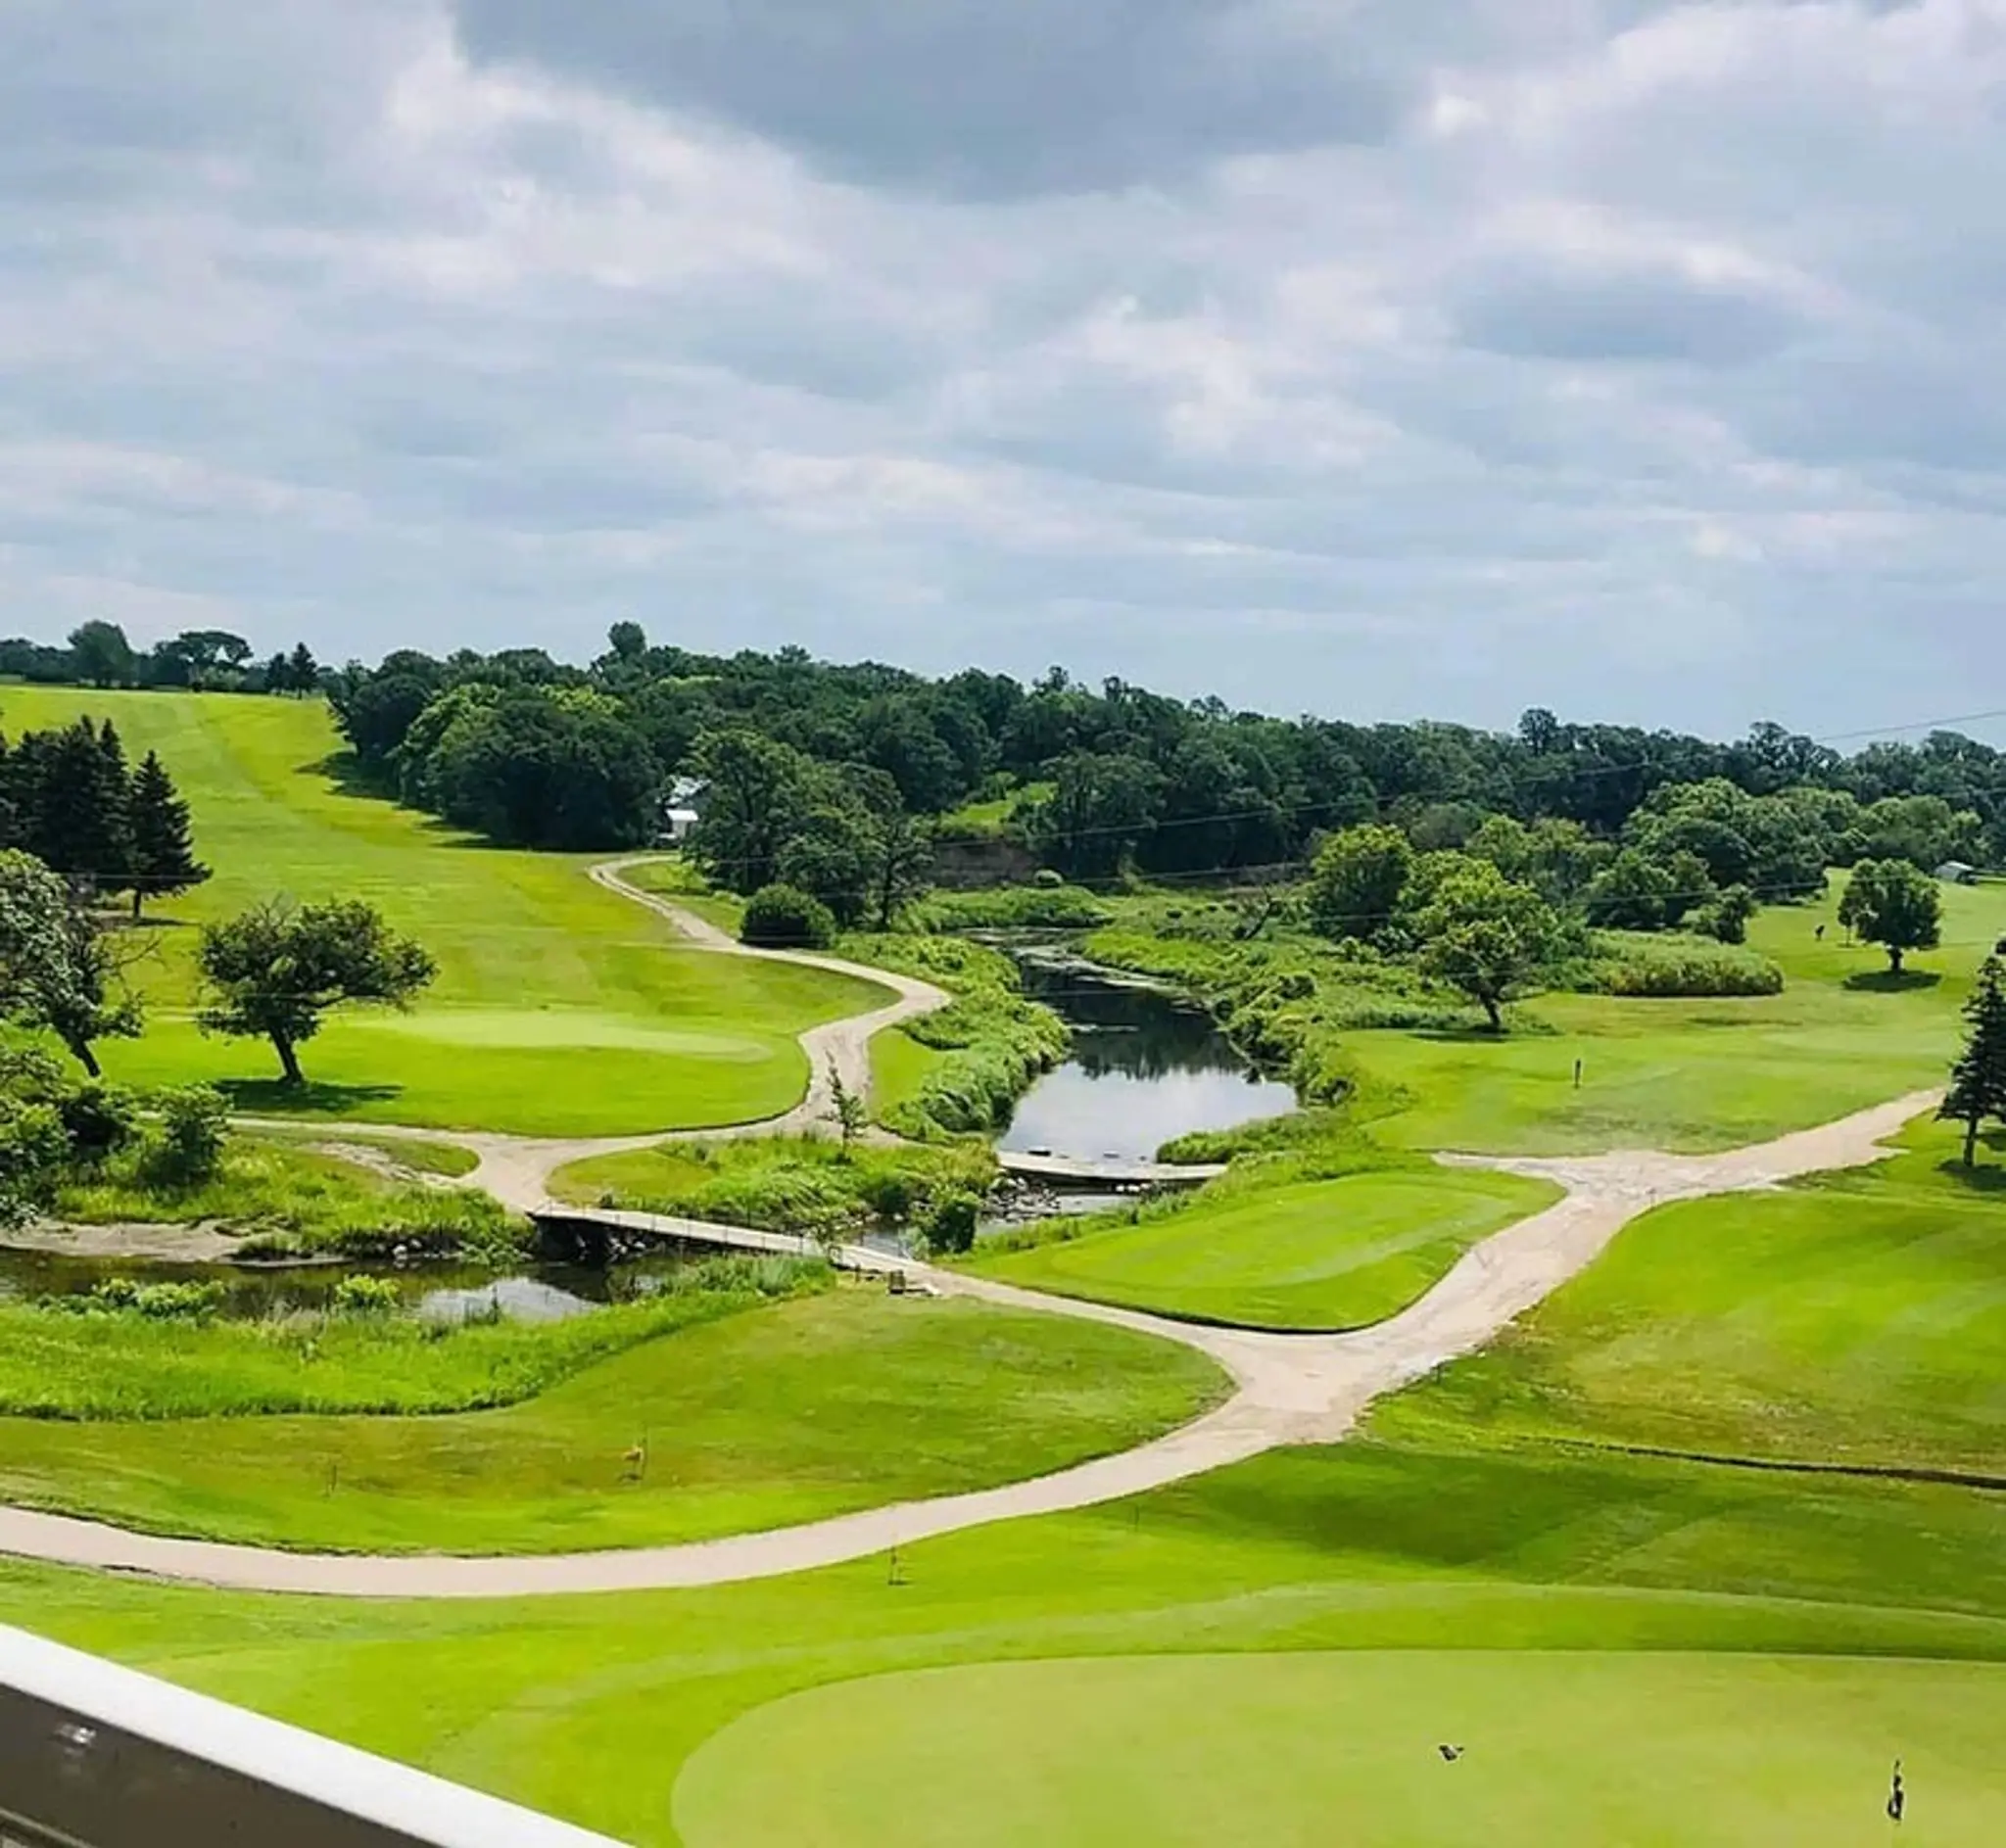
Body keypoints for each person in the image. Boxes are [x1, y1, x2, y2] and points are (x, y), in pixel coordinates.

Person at [1887, 1759, 1904, 1824]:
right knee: (1897, 1805)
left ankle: (1898, 1816)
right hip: (1898, 1792)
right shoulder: (1896, 1787)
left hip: (1897, 1792)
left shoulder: (1896, 1789)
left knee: (1896, 1805)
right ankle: (1898, 1816)